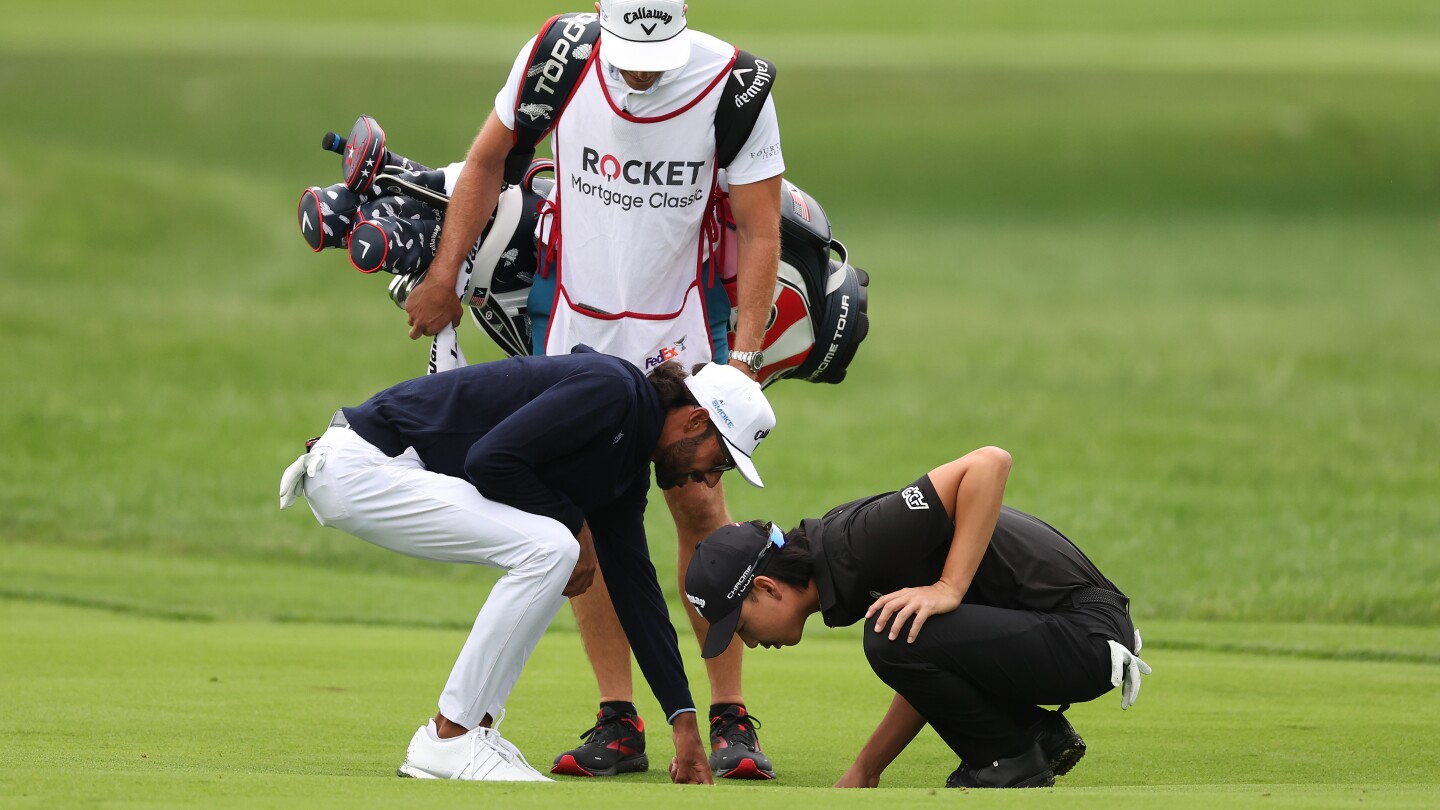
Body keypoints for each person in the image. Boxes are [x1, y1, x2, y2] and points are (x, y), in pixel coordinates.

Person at [403, 0, 787, 779]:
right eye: (631, 54)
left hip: (682, 332)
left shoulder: (734, 82)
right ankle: (619, 719)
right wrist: (445, 275)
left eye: (658, 55)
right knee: (578, 518)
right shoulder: (561, 51)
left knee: (700, 506)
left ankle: (728, 718)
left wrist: (742, 361)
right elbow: (485, 162)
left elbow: (760, 227)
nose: (643, 70)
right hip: (576, 332)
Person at [277, 348, 776, 783]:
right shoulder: (614, 391)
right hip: (363, 466)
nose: (710, 479)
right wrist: (577, 527)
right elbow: (490, 460)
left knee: (552, 547)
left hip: (381, 470)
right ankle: (449, 737)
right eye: (721, 460)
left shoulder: (625, 464)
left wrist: (682, 722)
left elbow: (637, 592)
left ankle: (473, 731)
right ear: (694, 421)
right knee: (552, 548)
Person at [683, 446, 1152, 789]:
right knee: (897, 632)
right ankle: (1033, 736)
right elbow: (933, 663)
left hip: (1086, 637)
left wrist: (950, 588)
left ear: (766, 587)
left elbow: (989, 463)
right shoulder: (840, 560)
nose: (748, 641)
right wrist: (867, 770)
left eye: (741, 624)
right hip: (1074, 635)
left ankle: (1011, 757)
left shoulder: (858, 541)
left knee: (887, 636)